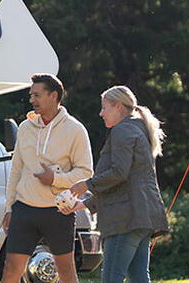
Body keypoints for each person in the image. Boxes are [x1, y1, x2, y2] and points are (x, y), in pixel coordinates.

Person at [62, 86, 170, 283]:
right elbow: (126, 182)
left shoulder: (123, 129)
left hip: (125, 220)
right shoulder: (136, 128)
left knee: (112, 278)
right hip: (140, 217)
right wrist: (85, 203)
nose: (101, 113)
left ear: (118, 106)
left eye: (104, 108)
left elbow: (119, 172)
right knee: (138, 277)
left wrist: (85, 185)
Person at [2, 73, 93, 283]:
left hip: (58, 210)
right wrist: (9, 208)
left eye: (37, 95)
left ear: (53, 96)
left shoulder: (75, 130)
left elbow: (86, 172)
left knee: (66, 272)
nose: (31, 100)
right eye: (31, 95)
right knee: (11, 269)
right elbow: (16, 170)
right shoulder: (25, 128)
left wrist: (55, 178)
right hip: (24, 208)